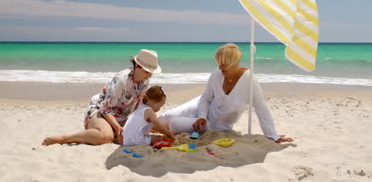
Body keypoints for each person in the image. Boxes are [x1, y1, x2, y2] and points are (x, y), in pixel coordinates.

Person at [158, 43, 293, 143]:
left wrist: (273, 136)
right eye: (219, 63)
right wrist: (202, 117)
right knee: (163, 118)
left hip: (214, 125)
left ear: (234, 63)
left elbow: (261, 108)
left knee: (173, 123)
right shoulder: (217, 73)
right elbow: (205, 98)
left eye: (224, 65)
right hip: (201, 108)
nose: (219, 67)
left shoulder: (249, 80)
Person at [42, 49, 162, 146]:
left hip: (121, 116)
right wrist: (118, 129)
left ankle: (113, 131)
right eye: (147, 71)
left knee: (146, 129)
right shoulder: (122, 80)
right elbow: (105, 108)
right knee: (106, 137)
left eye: (151, 72)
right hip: (101, 111)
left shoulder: (145, 82)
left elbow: (140, 106)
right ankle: (64, 138)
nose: (150, 75)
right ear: (137, 66)